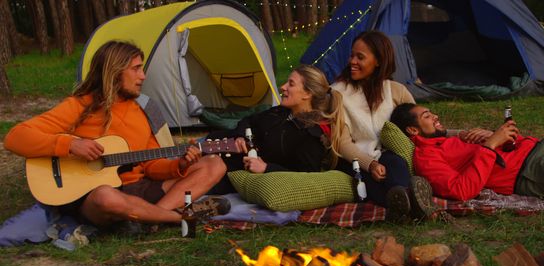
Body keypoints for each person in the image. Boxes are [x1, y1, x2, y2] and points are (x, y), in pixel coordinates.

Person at [4, 40, 227, 233]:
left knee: (214, 164)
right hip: (95, 197)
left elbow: (151, 165)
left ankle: (150, 218)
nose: (143, 76)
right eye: (136, 69)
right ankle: (179, 218)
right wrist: (70, 144)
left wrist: (179, 165)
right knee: (105, 197)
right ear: (114, 71)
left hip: (138, 189)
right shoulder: (80, 106)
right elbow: (15, 137)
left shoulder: (144, 111)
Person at [390, 83, 544, 201]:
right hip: (534, 172)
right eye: (426, 116)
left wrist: (497, 137)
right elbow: (459, 190)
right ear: (413, 130)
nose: (434, 116)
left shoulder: (452, 139)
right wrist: (490, 146)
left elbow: (498, 150)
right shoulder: (426, 157)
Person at [330, 30, 432, 216]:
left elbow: (420, 123)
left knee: (396, 163)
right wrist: (370, 164)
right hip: (354, 161)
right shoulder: (338, 94)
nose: (352, 61)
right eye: (352, 55)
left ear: (378, 61)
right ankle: (410, 206)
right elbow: (342, 143)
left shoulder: (396, 91)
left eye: (360, 57)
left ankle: (405, 204)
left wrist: (456, 133)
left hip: (388, 158)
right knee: (368, 179)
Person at [206, 64, 343, 194]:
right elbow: (248, 120)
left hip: (231, 172)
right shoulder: (280, 112)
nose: (282, 87)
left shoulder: (311, 134)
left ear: (307, 93)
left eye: (291, 84)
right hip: (217, 146)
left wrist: (266, 168)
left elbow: (307, 177)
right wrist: (241, 136)